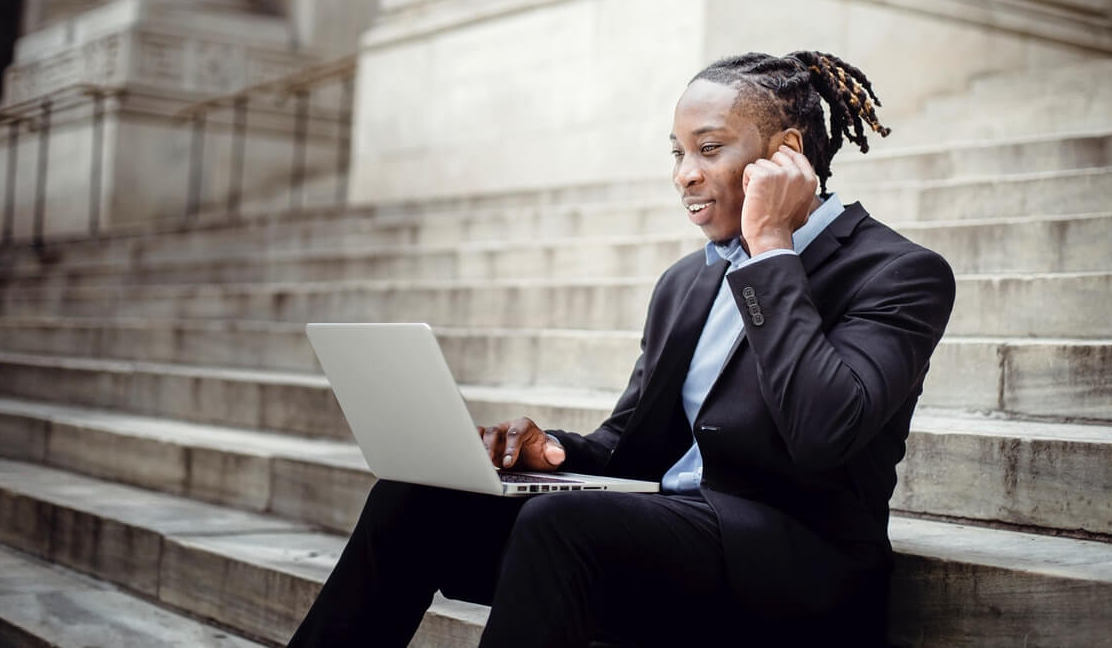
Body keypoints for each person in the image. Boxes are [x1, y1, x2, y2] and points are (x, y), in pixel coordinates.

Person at [288, 50, 956, 647]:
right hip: (668, 537)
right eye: (677, 152)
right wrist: (547, 450)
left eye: (710, 148)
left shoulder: (897, 272)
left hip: (798, 563)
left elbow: (823, 429)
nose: (684, 176)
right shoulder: (685, 283)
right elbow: (630, 444)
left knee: (561, 527)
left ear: (785, 153)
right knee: (416, 495)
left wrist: (771, 249)